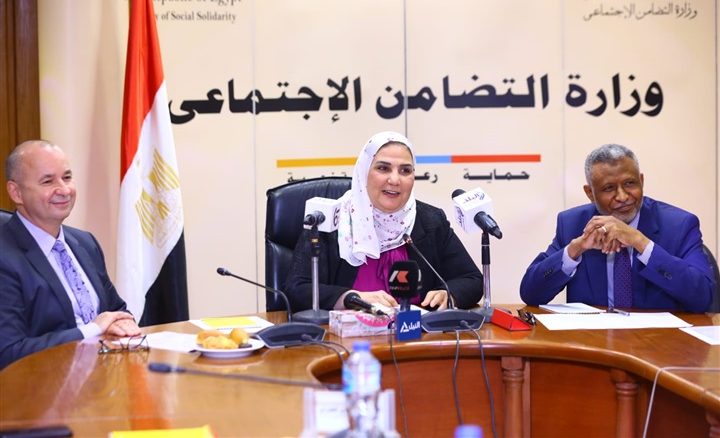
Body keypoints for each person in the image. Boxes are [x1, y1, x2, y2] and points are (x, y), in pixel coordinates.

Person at [285, 131, 483, 312]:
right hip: (346, 336)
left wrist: (449, 294)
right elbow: (297, 289)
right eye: (383, 168)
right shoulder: (330, 220)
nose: (395, 180)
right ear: (364, 172)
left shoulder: (430, 220)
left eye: (405, 171)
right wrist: (351, 298)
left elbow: (472, 279)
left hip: (416, 334)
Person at [520, 143, 714, 313]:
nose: (622, 197)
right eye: (609, 188)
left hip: (657, 339)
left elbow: (704, 297)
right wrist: (574, 250)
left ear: (641, 181)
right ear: (590, 193)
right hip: (592, 339)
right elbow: (531, 294)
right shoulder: (573, 224)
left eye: (629, 183)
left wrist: (641, 243)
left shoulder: (679, 225)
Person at [0, 140, 141, 370]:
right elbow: (9, 352)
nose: (64, 190)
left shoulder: (85, 242)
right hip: (41, 387)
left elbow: (116, 310)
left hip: (104, 379)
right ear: (16, 192)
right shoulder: (5, 256)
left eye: (66, 178)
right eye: (48, 181)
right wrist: (93, 329)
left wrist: (123, 323)